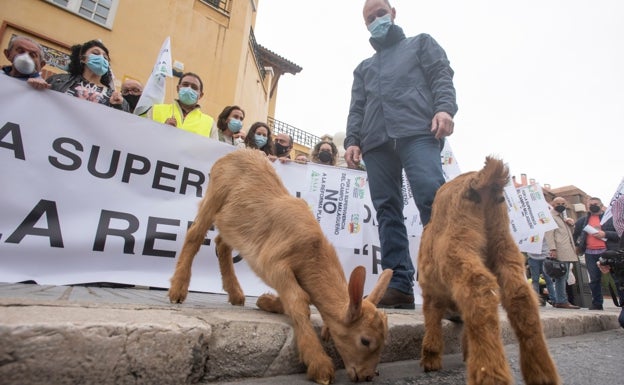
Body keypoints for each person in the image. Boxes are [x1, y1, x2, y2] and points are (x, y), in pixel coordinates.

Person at [344, 0, 458, 308]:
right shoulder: (364, 68)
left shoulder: (421, 43)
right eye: (371, 17)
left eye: (381, 12)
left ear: (393, 14)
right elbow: (357, 107)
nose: (377, 19)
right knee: (386, 210)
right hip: (376, 142)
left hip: (418, 130)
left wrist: (444, 108)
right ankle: (398, 284)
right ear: (366, 25)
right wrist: (352, 140)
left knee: (432, 197)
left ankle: (446, 282)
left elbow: (440, 75)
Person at [28, 40, 128, 112]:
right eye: (95, 53)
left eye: (105, 57)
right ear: (83, 59)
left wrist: (118, 106)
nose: (101, 58)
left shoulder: (114, 96)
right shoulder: (57, 80)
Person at [573, 197, 620, 310]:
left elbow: (619, 234)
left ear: (601, 204)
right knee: (594, 280)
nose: (593, 206)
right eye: (591, 204)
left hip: (608, 252)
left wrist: (605, 234)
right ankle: (597, 303)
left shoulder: (610, 218)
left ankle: (622, 301)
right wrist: (578, 246)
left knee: (617, 278)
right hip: (590, 253)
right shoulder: (582, 221)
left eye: (596, 204)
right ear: (587, 207)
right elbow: (575, 235)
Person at [147, 72, 216, 139]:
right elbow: (144, 137)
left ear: (200, 95)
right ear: (178, 88)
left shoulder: (210, 123)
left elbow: (214, 149)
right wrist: (161, 130)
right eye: (185, 85)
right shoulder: (156, 110)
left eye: (194, 87)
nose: (189, 89)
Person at [544, 197, 580, 309]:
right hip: (560, 250)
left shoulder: (563, 216)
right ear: (552, 204)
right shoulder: (551, 216)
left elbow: (568, 234)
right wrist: (553, 249)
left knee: (564, 276)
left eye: (563, 203)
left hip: (567, 249)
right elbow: (549, 234)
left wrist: (571, 225)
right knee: (561, 277)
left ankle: (561, 300)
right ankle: (562, 301)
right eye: (557, 203)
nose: (560, 205)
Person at [526, 239, 556, 307]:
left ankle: (554, 300)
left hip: (545, 257)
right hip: (533, 258)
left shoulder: (544, 230)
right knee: (535, 280)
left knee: (549, 280)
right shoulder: (529, 232)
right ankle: (536, 300)